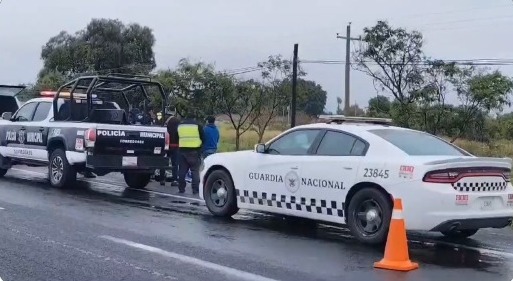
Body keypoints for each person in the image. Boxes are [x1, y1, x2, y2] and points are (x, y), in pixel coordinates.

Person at [176, 111, 205, 194]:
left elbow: (176, 137)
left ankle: (181, 189)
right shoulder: (197, 125)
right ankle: (195, 190)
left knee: (182, 171)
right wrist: (200, 148)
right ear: (194, 117)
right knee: (195, 171)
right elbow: (203, 137)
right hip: (194, 151)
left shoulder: (180, 125)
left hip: (182, 150)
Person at [159, 113, 180, 186]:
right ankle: (174, 180)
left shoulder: (165, 122)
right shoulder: (177, 121)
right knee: (175, 163)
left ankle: (162, 179)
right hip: (176, 145)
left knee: (164, 162)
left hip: (166, 145)